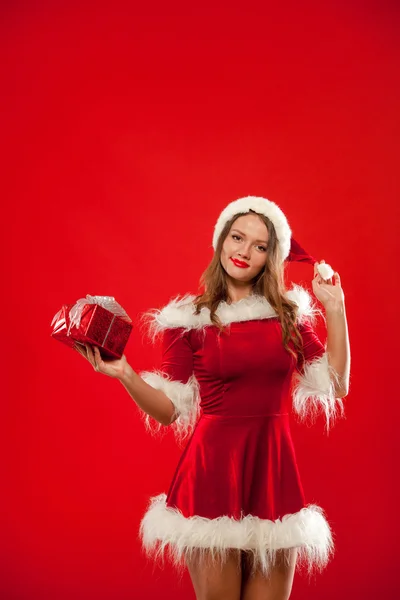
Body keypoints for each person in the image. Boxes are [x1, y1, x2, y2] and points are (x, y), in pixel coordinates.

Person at [74, 196, 350, 600]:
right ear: (221, 240)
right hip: (211, 472)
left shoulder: (289, 314)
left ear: (271, 257)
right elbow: (170, 412)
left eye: (259, 246)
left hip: (273, 471)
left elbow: (336, 384)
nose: (243, 251)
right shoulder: (188, 319)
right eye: (237, 237)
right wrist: (126, 374)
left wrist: (335, 308)